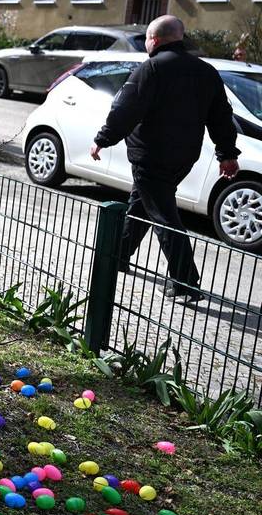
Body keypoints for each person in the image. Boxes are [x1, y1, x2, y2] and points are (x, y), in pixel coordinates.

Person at [90, 15, 239, 303]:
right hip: (184, 157)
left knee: (163, 215)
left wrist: (103, 139)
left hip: (150, 156)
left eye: (147, 39)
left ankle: (186, 283)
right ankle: (118, 256)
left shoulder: (152, 68)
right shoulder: (206, 71)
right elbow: (222, 117)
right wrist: (227, 154)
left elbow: (125, 108)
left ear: (154, 40)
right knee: (142, 205)